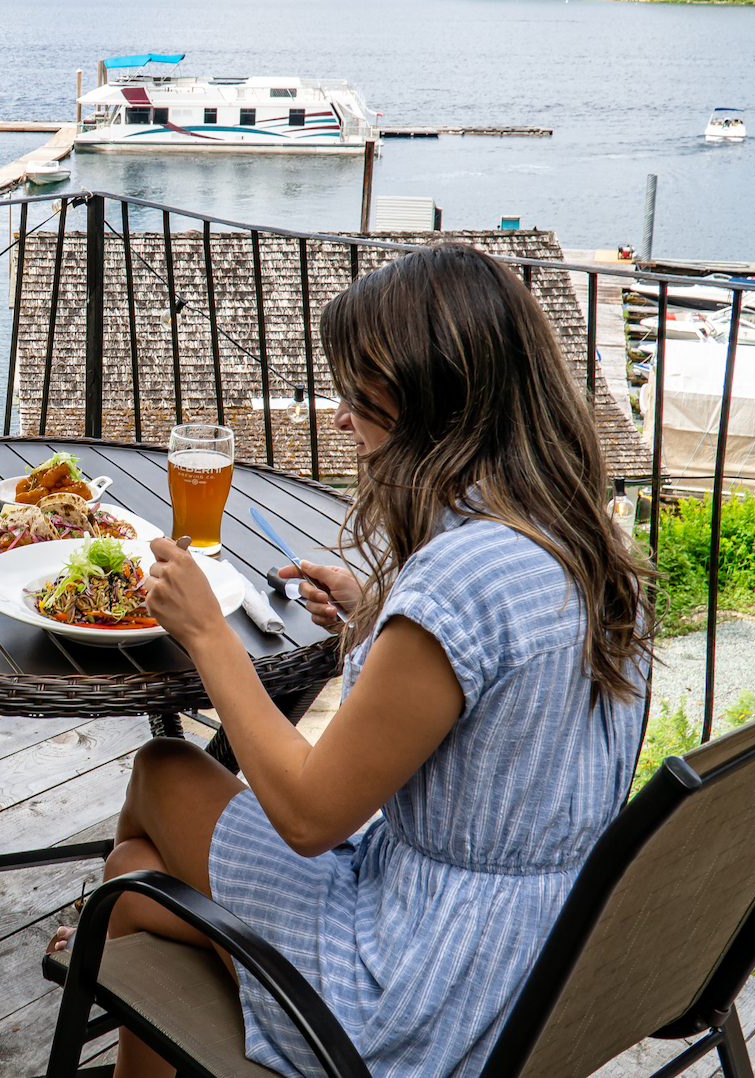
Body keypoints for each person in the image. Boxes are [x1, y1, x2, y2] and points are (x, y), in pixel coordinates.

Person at [54, 244, 653, 1078]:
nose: (342, 418)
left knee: (159, 777)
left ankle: (117, 925)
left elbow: (307, 818)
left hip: (418, 987)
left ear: (431, 405)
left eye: (359, 397)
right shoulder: (584, 541)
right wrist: (381, 622)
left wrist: (207, 634)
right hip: (541, 954)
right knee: (136, 875)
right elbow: (507, 701)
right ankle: (127, 914)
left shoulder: (460, 578)